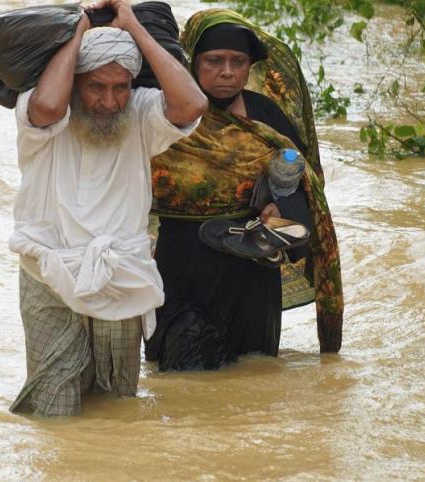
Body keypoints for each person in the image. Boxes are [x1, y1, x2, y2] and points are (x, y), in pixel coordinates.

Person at [7, 0, 207, 416]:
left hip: (122, 274)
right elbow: (48, 107)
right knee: (53, 408)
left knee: (117, 405)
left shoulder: (140, 113)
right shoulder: (40, 113)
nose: (109, 101)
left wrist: (132, 26)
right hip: (48, 273)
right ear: (74, 81)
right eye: (96, 86)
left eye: (120, 87)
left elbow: (192, 104)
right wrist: (77, 30)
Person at [145, 9, 343, 371]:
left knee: (252, 381)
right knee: (185, 375)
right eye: (214, 60)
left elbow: (303, 195)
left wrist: (280, 214)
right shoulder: (163, 111)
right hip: (180, 272)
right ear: (192, 61)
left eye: (239, 62)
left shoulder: (266, 117)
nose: (227, 72)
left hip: (251, 279)